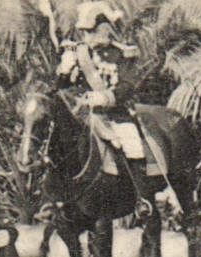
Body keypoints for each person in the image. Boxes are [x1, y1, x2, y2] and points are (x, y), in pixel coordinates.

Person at [57, 1, 156, 213]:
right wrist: (64, 70)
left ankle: (141, 198)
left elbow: (128, 86)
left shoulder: (122, 54)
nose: (87, 36)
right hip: (83, 116)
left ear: (104, 29)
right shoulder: (77, 54)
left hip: (115, 115)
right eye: (84, 31)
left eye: (91, 31)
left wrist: (105, 97)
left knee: (132, 145)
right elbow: (62, 88)